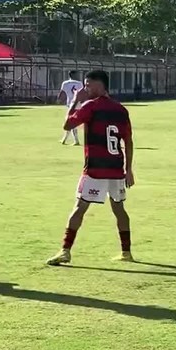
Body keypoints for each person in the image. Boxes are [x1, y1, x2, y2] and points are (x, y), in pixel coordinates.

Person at [46, 70, 135, 266]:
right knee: (119, 209)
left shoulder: (90, 106)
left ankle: (65, 251)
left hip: (95, 169)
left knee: (79, 208)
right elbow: (128, 141)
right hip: (116, 169)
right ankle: (126, 252)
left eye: (88, 85)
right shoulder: (120, 109)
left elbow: (67, 125)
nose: (85, 89)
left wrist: (75, 101)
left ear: (99, 85)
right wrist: (128, 169)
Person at [57, 71, 84, 145]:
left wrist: (59, 100)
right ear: (72, 75)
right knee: (69, 121)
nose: (78, 75)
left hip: (71, 104)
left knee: (70, 121)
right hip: (78, 104)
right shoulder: (79, 83)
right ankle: (64, 139)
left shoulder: (65, 83)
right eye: (77, 74)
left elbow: (62, 93)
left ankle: (76, 140)